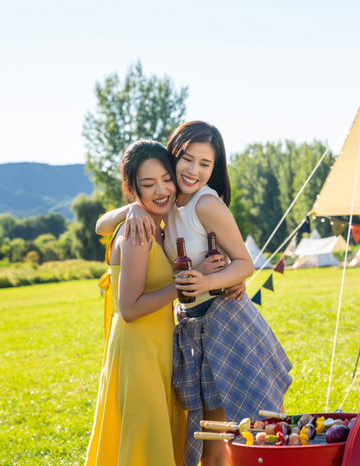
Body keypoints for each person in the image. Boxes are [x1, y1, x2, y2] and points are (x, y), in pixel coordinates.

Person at [97, 121, 292, 466]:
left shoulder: (205, 204)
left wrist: (207, 282)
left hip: (222, 322)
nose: (194, 170)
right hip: (190, 329)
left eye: (206, 164)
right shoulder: (164, 207)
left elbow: (244, 263)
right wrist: (133, 208)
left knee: (239, 429)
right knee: (203, 434)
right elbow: (101, 225)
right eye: (187, 159)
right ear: (173, 156)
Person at [86, 140, 198, 465]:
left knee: (155, 437)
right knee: (145, 443)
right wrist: (182, 285)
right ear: (131, 188)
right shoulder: (137, 232)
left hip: (158, 346)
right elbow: (130, 308)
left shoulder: (159, 224)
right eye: (148, 184)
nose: (161, 189)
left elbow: (100, 225)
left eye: (166, 179)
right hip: (138, 351)